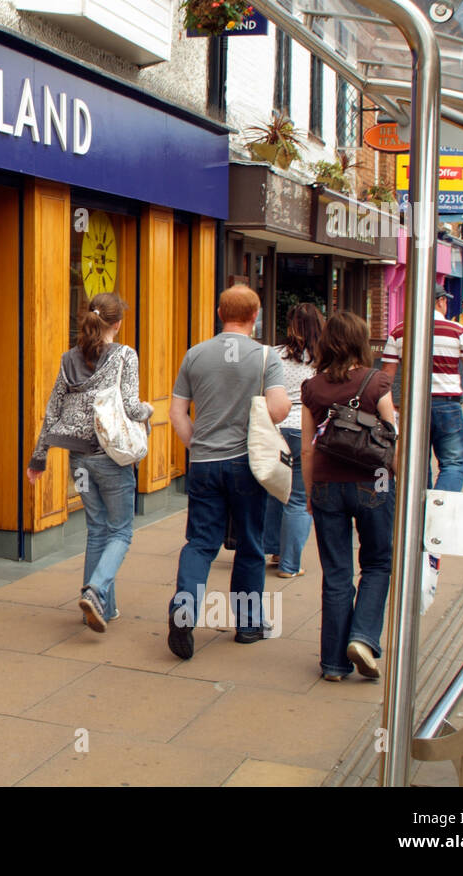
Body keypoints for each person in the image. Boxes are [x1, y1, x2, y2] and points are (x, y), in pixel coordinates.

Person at [166, 285, 290, 659]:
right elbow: (279, 409)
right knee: (250, 545)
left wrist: (198, 446)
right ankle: (249, 625)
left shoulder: (195, 355)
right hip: (246, 465)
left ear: (220, 312)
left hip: (204, 463)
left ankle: (184, 611)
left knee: (200, 543)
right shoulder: (267, 357)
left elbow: (176, 413)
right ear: (256, 316)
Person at [27, 292, 152, 633]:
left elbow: (52, 409)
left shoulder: (69, 359)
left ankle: (99, 609)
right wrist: (150, 411)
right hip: (111, 459)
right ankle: (96, 591)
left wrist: (38, 459)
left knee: (96, 529)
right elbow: (130, 407)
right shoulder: (125, 355)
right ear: (117, 323)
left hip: (78, 463)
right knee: (122, 531)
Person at [301, 311, 398, 681]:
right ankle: (362, 637)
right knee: (377, 564)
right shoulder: (378, 383)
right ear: (361, 341)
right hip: (374, 483)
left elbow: (308, 449)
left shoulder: (313, 387)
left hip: (327, 485)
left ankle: (333, 664)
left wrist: (310, 493)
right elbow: (391, 438)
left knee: (336, 573)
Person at [381, 284, 463, 492]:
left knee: (416, 465)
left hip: (412, 407)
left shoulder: (398, 331)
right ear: (440, 301)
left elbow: (386, 376)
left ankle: (419, 512)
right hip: (447, 406)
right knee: (453, 463)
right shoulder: (456, 330)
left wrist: (389, 408)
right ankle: (439, 510)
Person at [261, 303, 325, 579]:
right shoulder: (324, 359)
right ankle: (290, 564)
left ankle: (275, 550)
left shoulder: (274, 354)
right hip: (305, 429)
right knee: (298, 499)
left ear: (290, 326)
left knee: (275, 493)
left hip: (275, 428)